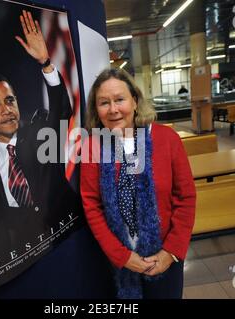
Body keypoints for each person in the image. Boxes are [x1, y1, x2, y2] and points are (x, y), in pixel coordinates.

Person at [0, 10, 80, 269]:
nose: (6, 109)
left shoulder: (40, 133)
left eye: (10, 100)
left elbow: (61, 110)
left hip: (73, 239)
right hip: (31, 261)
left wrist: (45, 63)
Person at [80, 68, 196, 299]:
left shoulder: (166, 139)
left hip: (164, 258)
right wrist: (122, 256)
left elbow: (186, 198)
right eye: (104, 103)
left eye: (119, 99)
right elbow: (92, 206)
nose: (113, 109)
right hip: (117, 262)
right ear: (96, 109)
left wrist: (171, 252)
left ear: (134, 101)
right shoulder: (93, 147)